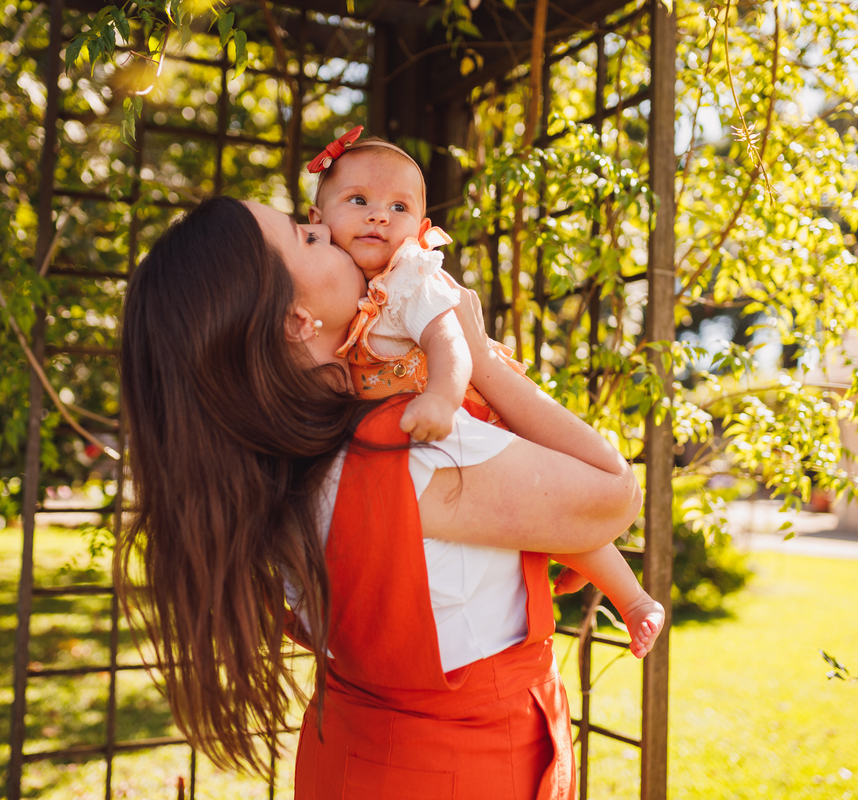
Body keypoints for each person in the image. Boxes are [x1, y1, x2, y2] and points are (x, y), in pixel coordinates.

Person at [117, 195, 645, 799]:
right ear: (296, 320)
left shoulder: (272, 470)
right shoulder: (407, 447)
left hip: (351, 763)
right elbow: (615, 495)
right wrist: (478, 356)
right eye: (305, 237)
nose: (325, 229)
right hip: (465, 773)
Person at [307, 128, 663, 658]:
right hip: (414, 429)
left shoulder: (410, 278)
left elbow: (448, 342)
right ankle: (580, 549)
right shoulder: (342, 291)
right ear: (317, 221)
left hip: (464, 407)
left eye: (398, 207)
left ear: (422, 230)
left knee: (559, 500)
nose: (379, 215)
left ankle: (632, 600)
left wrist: (443, 399)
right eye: (359, 200)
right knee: (534, 516)